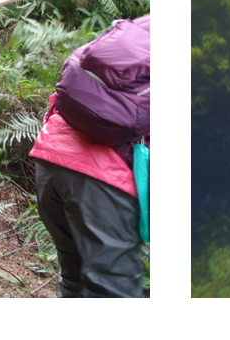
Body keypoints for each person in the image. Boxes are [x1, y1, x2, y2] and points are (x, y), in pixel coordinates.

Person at [30, 15, 150, 297]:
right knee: (112, 291)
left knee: (74, 278)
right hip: (103, 182)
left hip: (51, 158)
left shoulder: (136, 31)